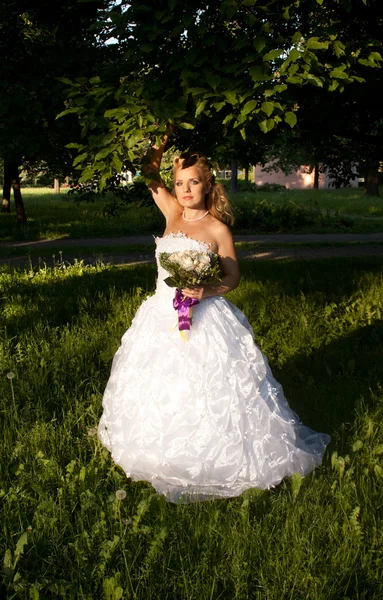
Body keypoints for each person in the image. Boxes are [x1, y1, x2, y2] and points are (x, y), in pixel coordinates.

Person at [98, 133, 330, 503]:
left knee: (210, 386)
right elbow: (148, 174)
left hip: (204, 317)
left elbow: (233, 276)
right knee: (160, 383)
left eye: (193, 182)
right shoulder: (172, 213)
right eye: (180, 183)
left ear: (208, 185)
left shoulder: (217, 229)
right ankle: (160, 446)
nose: (186, 189)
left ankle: (220, 451)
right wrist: (159, 143)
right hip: (160, 315)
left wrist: (206, 290)